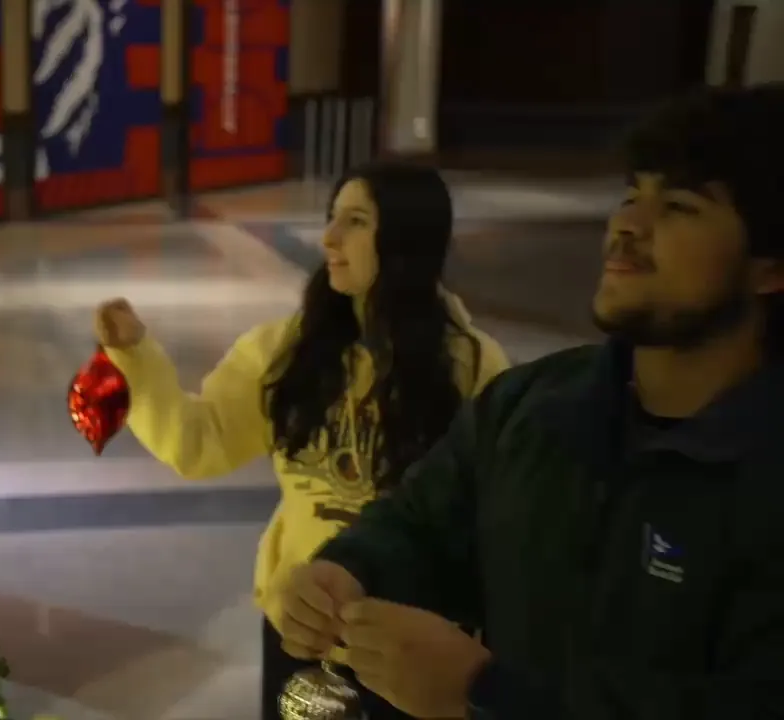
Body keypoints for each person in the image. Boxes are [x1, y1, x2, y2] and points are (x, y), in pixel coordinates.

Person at [272, 83, 784, 719]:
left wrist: (484, 694)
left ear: (770, 266)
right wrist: (347, 571)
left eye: (678, 207)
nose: (627, 225)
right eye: (631, 195)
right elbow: (422, 525)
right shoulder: (532, 406)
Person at [93, 163, 510, 719]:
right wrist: (136, 358)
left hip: (409, 645)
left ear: (407, 238)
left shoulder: (472, 366)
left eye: (355, 222)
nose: (329, 239)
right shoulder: (288, 351)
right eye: (331, 219)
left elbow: (497, 520)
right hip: (300, 629)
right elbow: (200, 440)